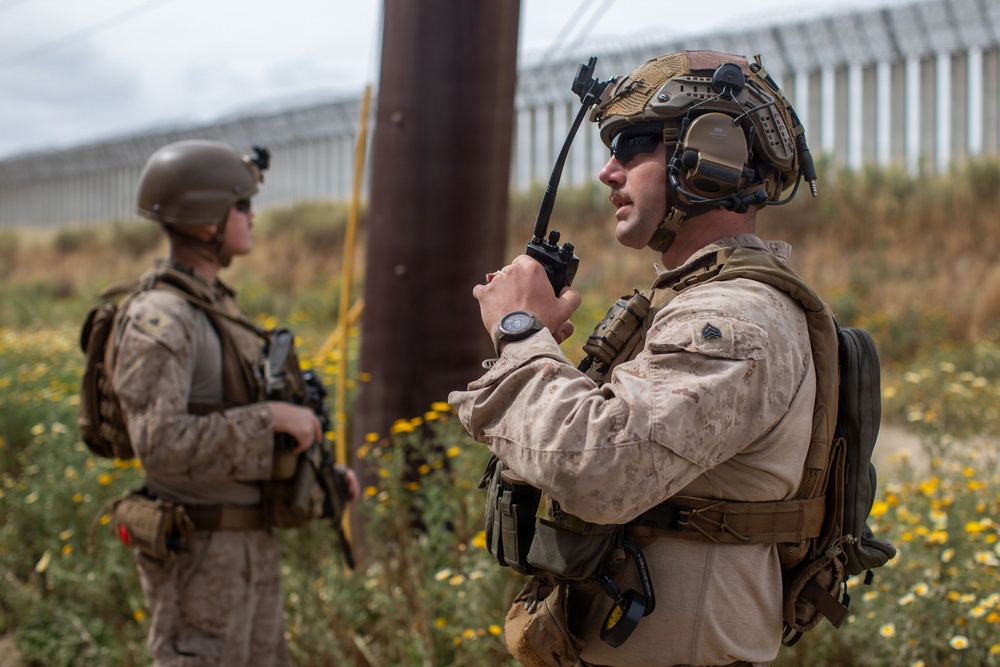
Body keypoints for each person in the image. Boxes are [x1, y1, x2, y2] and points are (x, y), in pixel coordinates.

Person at [449, 50, 826, 667]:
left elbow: (603, 470)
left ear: (713, 153)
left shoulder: (731, 319)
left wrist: (519, 333)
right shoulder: (695, 304)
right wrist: (543, 353)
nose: (608, 172)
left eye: (634, 144)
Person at [112, 139, 359, 666]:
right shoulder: (162, 319)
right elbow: (160, 444)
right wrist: (270, 417)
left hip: (249, 548)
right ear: (207, 221)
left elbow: (236, 425)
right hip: (197, 556)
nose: (252, 216)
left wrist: (322, 477)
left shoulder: (218, 307)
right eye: (241, 205)